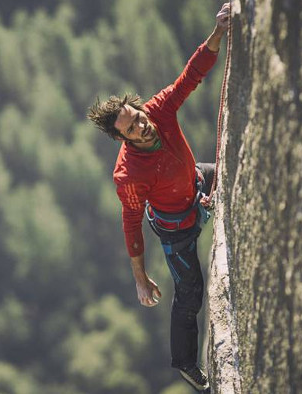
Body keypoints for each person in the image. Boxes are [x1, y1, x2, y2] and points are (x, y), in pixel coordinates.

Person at [86, 3, 230, 391]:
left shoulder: (158, 110)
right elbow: (131, 221)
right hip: (176, 229)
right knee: (190, 293)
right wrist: (140, 278)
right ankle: (184, 361)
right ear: (123, 139)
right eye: (133, 128)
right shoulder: (129, 175)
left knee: (225, 171)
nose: (143, 126)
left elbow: (189, 77)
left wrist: (217, 34)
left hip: (195, 182)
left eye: (138, 117)